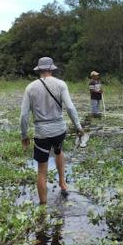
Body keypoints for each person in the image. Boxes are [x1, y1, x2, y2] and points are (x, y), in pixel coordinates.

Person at [20, 57, 84, 205]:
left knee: (42, 171)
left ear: (39, 70)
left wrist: (24, 135)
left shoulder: (30, 88)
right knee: (58, 151)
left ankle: (43, 205)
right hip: (59, 130)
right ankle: (63, 183)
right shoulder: (61, 84)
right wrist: (78, 127)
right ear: (51, 69)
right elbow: (70, 107)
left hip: (42, 132)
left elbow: (23, 115)